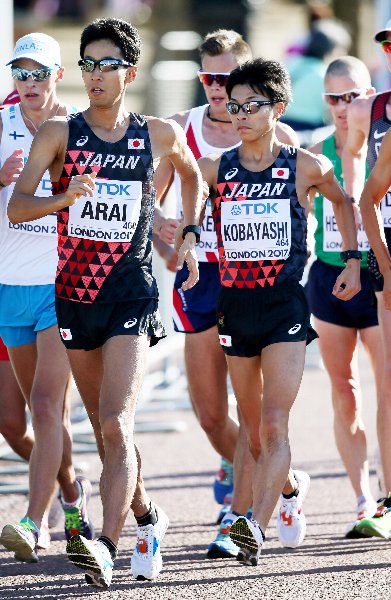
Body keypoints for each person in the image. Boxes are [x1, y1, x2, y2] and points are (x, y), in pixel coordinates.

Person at [7, 18, 203, 588]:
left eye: (105, 65)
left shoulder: (158, 133)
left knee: (117, 424)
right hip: (73, 297)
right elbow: (18, 209)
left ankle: (107, 547)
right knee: (103, 425)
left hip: (131, 294)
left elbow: (193, 179)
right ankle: (146, 517)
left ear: (130, 73)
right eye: (87, 64)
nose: (93, 75)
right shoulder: (60, 134)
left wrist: (188, 235)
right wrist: (65, 197)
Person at [198, 57, 361, 565]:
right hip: (235, 306)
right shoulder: (214, 169)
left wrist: (354, 261)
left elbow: (343, 203)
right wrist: (179, 237)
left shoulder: (305, 165)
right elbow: (179, 199)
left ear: (279, 107)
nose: (239, 114)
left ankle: (251, 526)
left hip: (285, 306)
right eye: (234, 105)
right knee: (250, 431)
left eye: (252, 105)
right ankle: (289, 489)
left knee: (273, 423)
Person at [153, 29, 300, 559]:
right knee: (213, 416)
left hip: (255, 283)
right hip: (200, 277)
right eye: (208, 78)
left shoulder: (272, 136)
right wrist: (166, 233)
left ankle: (245, 510)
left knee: (261, 414)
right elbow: (152, 201)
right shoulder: (181, 130)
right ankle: (281, 483)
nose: (218, 89)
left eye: (228, 78)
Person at [0, 32, 93, 563]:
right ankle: (74, 495)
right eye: (21, 72)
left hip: (63, 287)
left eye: (39, 73)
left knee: (45, 403)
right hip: (9, 287)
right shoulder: (2, 122)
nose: (29, 83)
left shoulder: (78, 129)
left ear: (58, 75)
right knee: (33, 419)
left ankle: (34, 523)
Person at [306, 56, 382, 537]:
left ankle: (388, 492)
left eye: (353, 95)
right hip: (330, 282)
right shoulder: (315, 156)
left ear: (370, 94)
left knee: (389, 389)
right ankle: (363, 498)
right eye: (334, 97)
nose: (343, 106)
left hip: (379, 281)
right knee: (344, 392)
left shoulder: (383, 147)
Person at [342, 20, 391, 538]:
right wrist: (373, 249)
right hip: (388, 256)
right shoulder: (370, 108)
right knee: (387, 386)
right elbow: (357, 168)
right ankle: (388, 496)